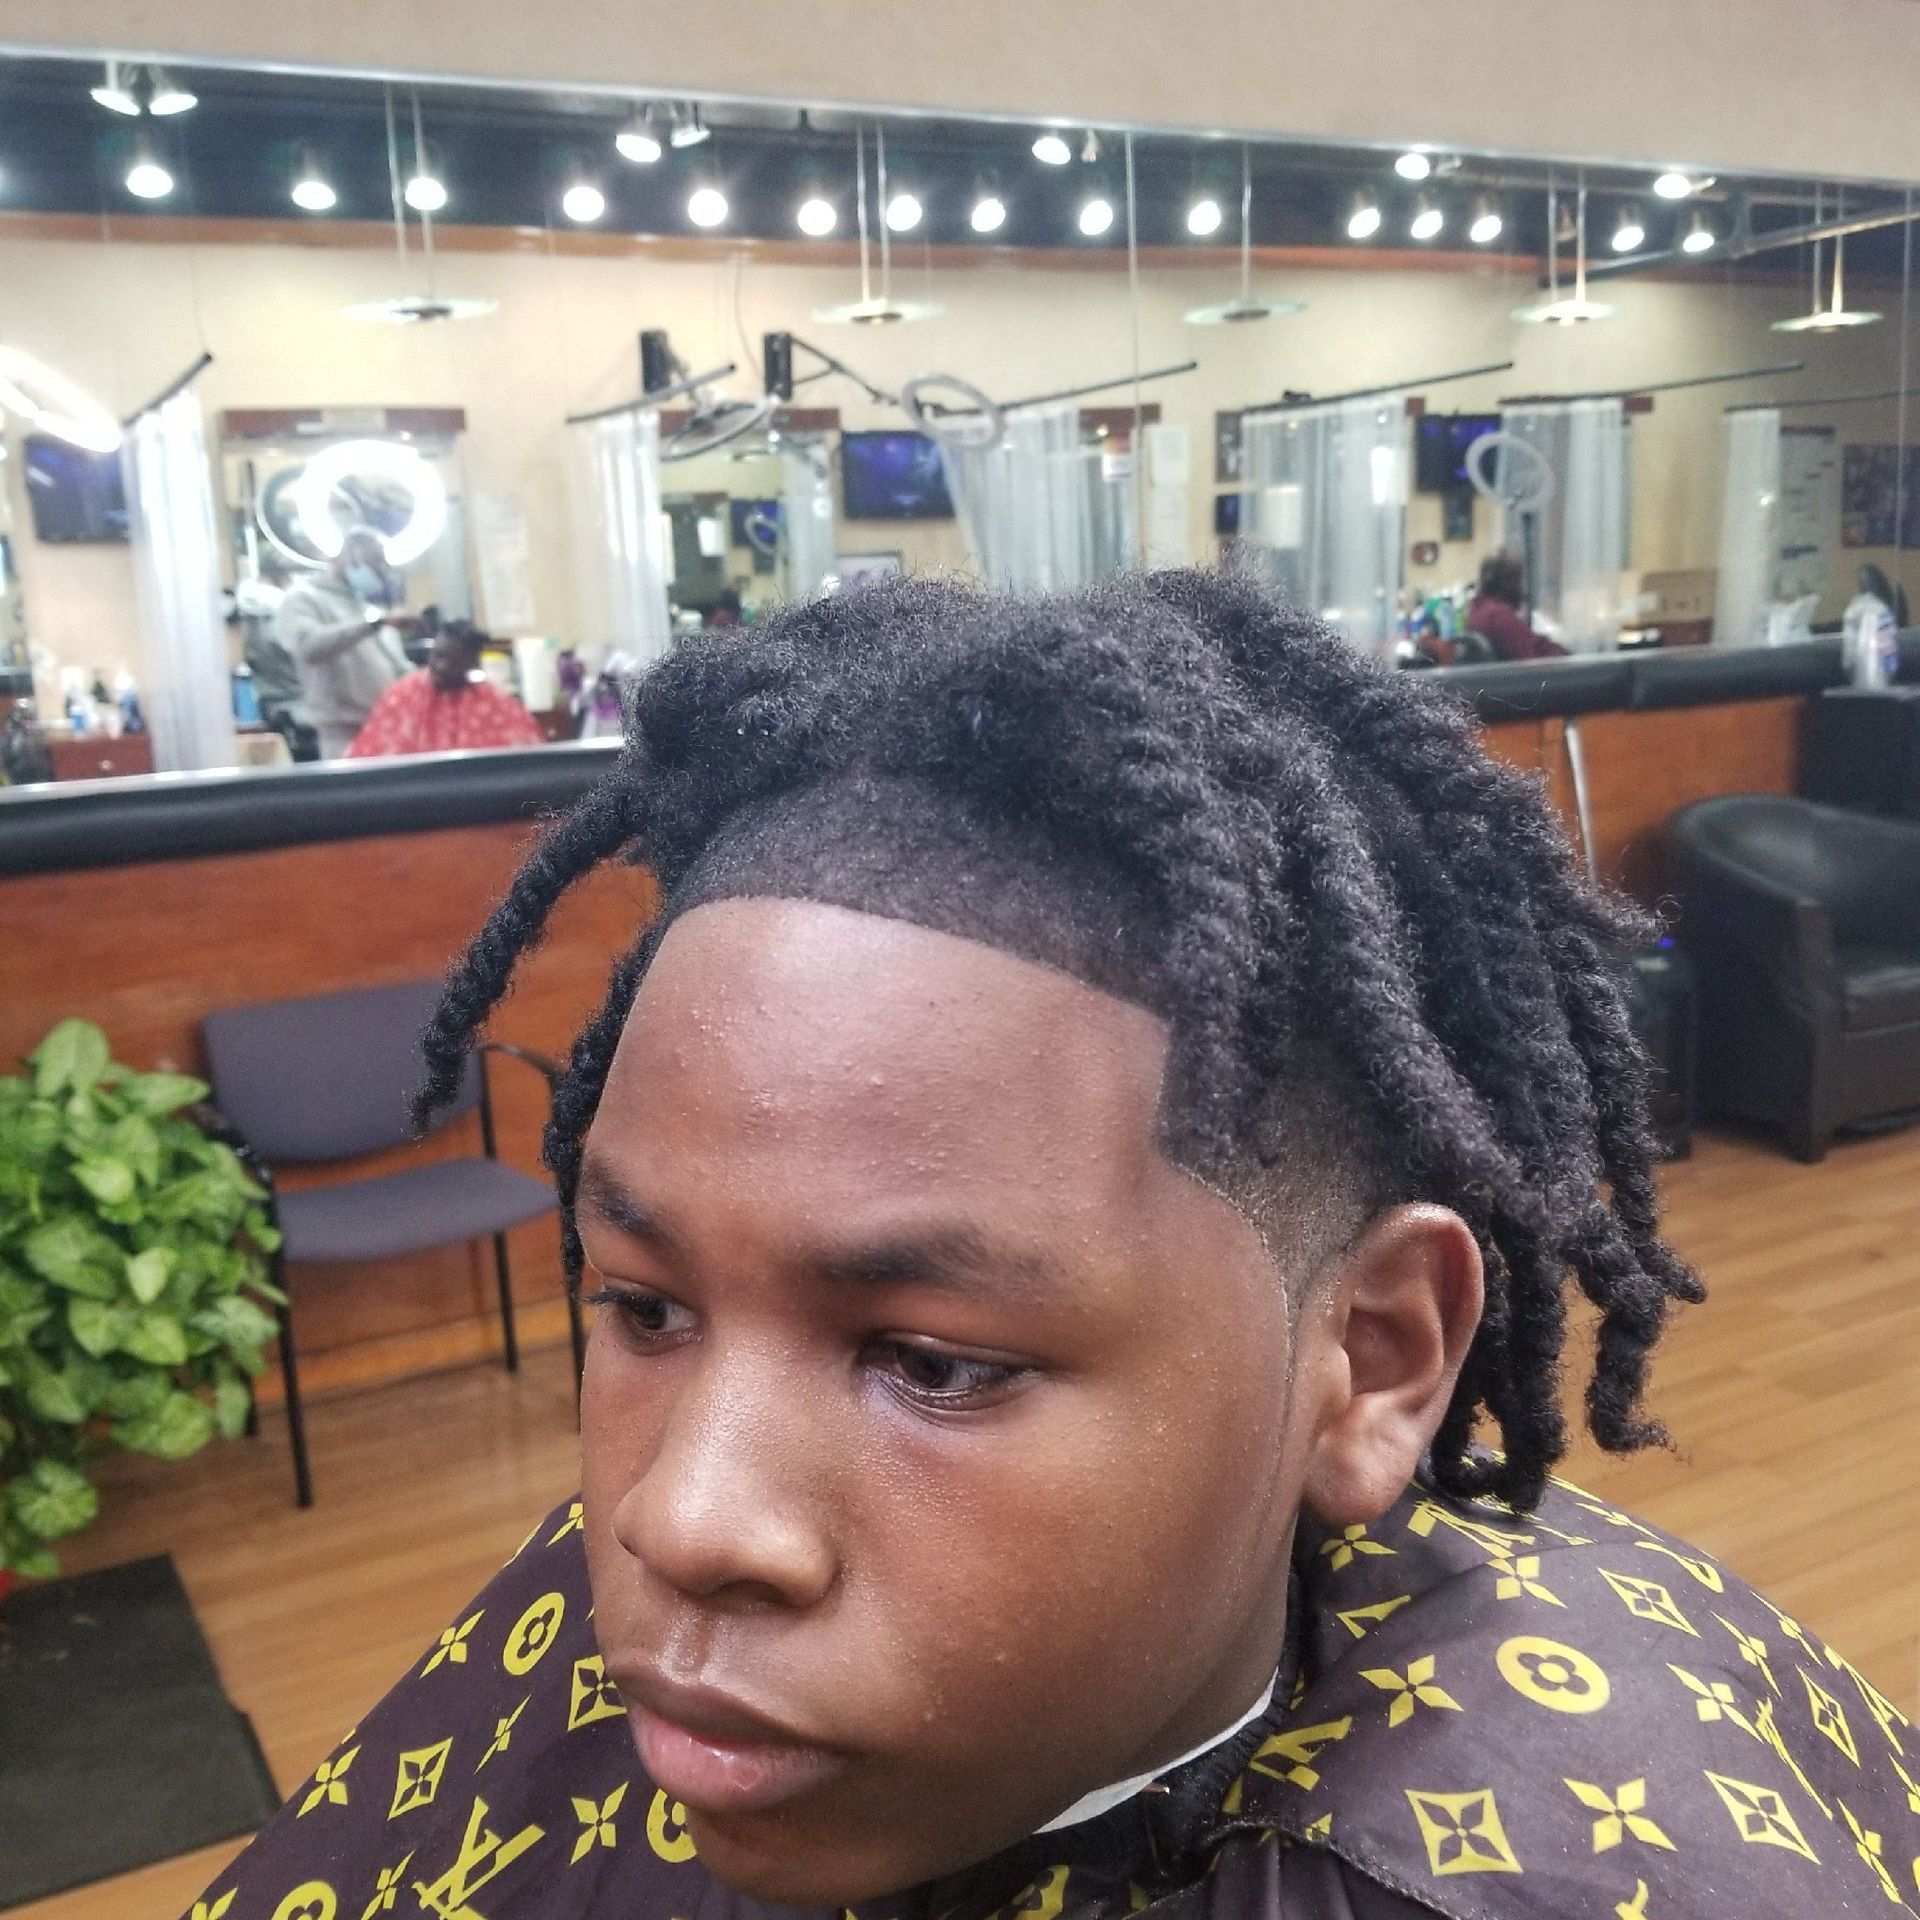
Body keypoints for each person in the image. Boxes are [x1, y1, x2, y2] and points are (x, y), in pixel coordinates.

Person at [193, 573, 1912, 1920]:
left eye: (933, 1362)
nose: (675, 1518)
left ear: (1376, 1357)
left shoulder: (1617, 1838)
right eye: (647, 1307)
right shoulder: (608, 1667)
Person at [275, 527, 412, 757]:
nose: (381, 571)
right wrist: (370, 624)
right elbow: (309, 648)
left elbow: (396, 666)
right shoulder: (303, 599)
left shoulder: (368, 607)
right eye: (376, 562)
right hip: (341, 734)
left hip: (388, 727)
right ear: (352, 555)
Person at [343, 620, 546, 758]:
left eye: (455, 661)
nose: (442, 666)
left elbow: (524, 767)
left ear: (473, 663)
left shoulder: (497, 706)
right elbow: (369, 762)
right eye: (438, 656)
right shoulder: (401, 696)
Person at [1465, 551, 1566, 663]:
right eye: (1517, 582)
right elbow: (1535, 661)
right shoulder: (1499, 617)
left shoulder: (1479, 610)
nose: (1521, 591)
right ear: (1507, 585)